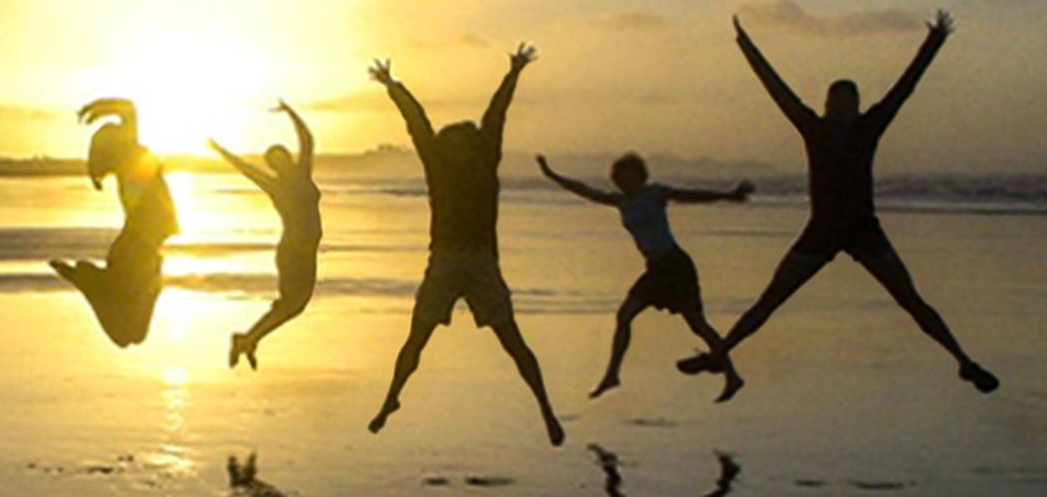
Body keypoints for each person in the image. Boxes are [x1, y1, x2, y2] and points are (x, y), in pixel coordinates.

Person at [682, 11, 999, 394]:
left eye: (850, 102)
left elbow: (905, 87)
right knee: (769, 300)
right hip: (822, 231)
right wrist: (745, 44)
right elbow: (776, 89)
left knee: (911, 300)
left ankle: (964, 362)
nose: (844, 108)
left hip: (864, 229)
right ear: (829, 104)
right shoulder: (813, 128)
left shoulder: (870, 126)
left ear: (857, 106)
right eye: (838, 101)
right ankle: (721, 354)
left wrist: (933, 43)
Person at [364, 44, 565, 445]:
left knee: (512, 341)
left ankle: (546, 408)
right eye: (452, 140)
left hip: (480, 263)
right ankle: (391, 400)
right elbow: (416, 123)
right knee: (416, 338)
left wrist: (513, 74)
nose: (457, 145)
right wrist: (392, 86)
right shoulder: (436, 165)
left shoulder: (485, 159)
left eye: (463, 140)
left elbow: (496, 116)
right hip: (443, 262)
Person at [538, 153, 750, 402]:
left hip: (675, 266)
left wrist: (727, 195)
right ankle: (611, 375)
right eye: (622, 178)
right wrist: (551, 174)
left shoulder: (655, 194)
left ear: (640, 176)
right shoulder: (620, 201)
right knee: (624, 316)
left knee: (697, 324)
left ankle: (732, 376)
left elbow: (690, 195)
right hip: (654, 269)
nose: (627, 182)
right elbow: (584, 190)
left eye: (632, 176)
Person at [50, 98, 179, 347]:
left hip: (145, 233)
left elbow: (129, 110)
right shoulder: (128, 156)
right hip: (144, 234)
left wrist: (97, 108)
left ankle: (87, 280)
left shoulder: (131, 151)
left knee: (128, 331)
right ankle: (88, 281)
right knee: (130, 331)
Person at [208, 99, 321, 370]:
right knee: (291, 304)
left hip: (306, 249)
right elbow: (244, 169)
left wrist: (291, 112)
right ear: (273, 167)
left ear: (287, 157)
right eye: (274, 163)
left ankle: (248, 339)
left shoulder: (303, 173)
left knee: (292, 305)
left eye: (281, 158)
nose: (280, 164)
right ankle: (247, 339)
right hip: (294, 250)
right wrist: (220, 150)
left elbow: (307, 139)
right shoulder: (275, 185)